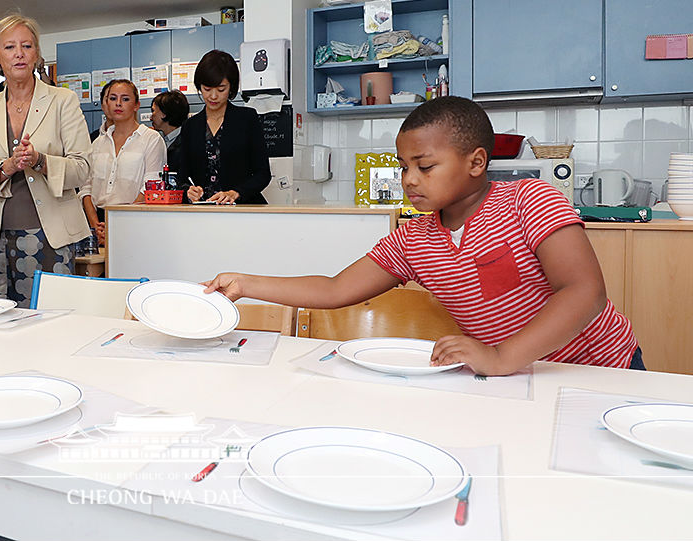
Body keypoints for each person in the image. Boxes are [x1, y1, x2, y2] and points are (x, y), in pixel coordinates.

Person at [205, 96, 642, 376]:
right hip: (513, 377)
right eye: (403, 166)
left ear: (475, 162)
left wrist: (503, 356)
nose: (409, 179)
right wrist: (246, 284)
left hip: (598, 369)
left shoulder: (530, 199)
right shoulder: (413, 238)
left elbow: (585, 292)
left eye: (425, 166)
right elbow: (337, 287)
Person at [0, 14, 91, 304]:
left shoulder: (63, 100)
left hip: (52, 233)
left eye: (27, 46)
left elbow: (83, 169)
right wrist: (7, 166)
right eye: (9, 47)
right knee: (1, 320)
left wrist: (40, 160)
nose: (19, 54)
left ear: (37, 54)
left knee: (51, 317)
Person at [172, 50, 270, 205]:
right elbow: (182, 177)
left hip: (243, 211)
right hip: (203, 212)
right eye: (207, 89)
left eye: (221, 89)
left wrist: (236, 193)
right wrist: (188, 191)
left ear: (231, 87)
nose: (213, 96)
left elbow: (263, 174)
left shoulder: (247, 119)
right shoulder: (191, 126)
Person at [79, 79, 166, 246]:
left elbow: (150, 186)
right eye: (112, 98)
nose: (118, 104)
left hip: (135, 220)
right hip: (99, 224)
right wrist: (95, 226)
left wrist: (121, 222)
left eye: (125, 99)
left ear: (136, 105)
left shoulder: (151, 139)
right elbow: (86, 187)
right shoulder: (98, 142)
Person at [150, 89, 189, 167]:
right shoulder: (161, 140)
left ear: (164, 113)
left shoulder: (186, 144)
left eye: (153, 111)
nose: (151, 117)